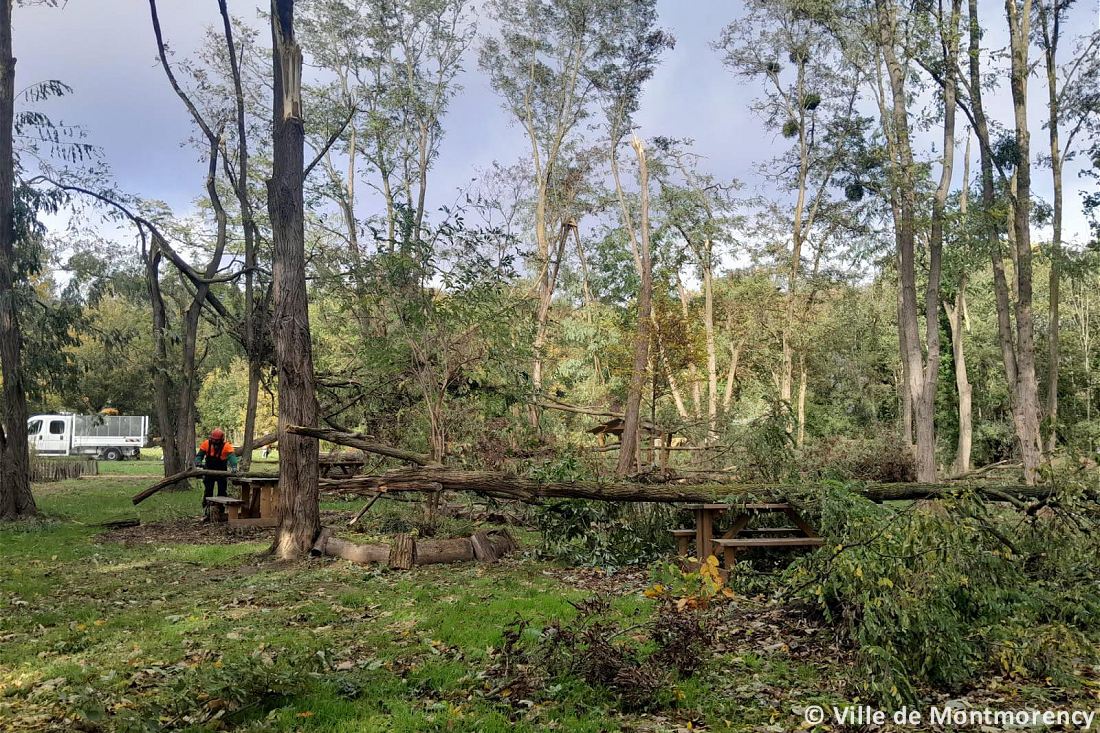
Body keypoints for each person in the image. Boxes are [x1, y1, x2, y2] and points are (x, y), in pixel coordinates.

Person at [196, 428, 238, 515]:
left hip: (222, 471)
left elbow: (232, 456)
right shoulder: (206, 444)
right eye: (213, 439)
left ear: (221, 439)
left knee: (222, 492)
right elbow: (199, 455)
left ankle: (220, 511)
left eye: (216, 440)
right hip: (209, 470)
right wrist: (198, 463)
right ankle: (206, 511)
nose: (214, 441)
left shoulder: (226, 446)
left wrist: (234, 466)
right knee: (208, 491)